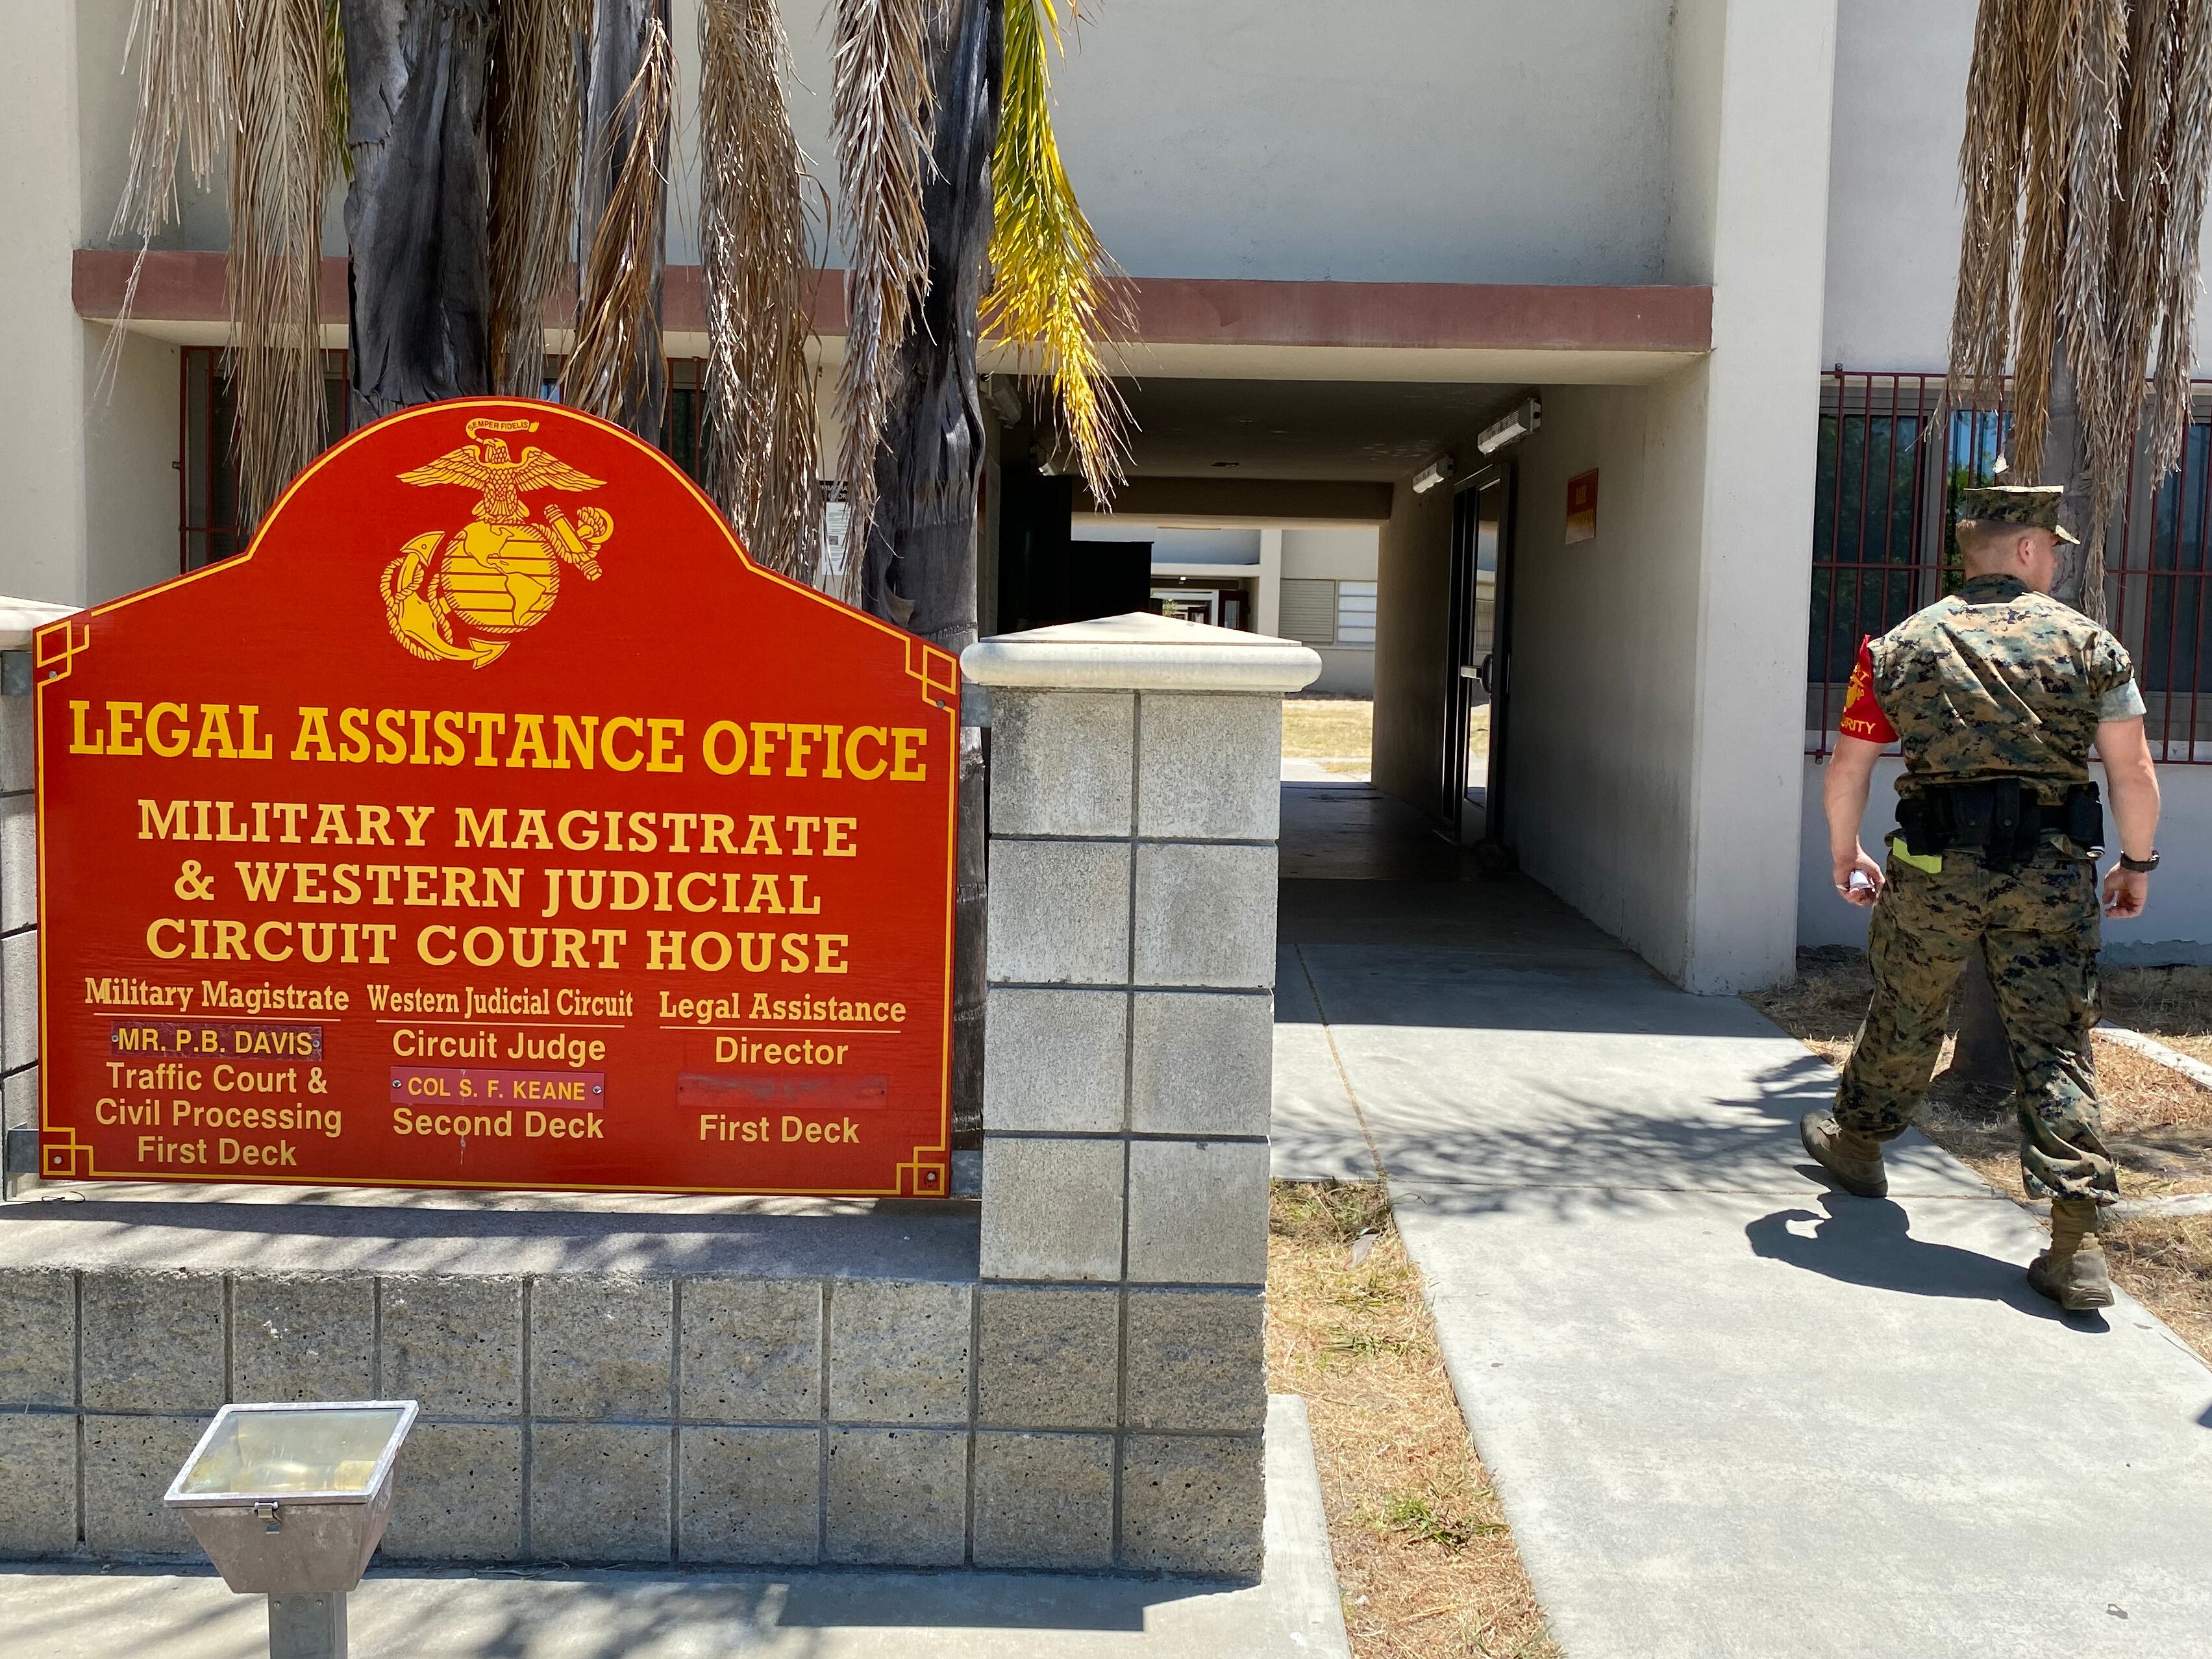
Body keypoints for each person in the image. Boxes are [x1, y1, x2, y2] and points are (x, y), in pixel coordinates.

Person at [1801, 482, 2163, 1312]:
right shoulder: (2087, 644)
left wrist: (1843, 852)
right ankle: (2074, 1244)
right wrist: (2135, 863)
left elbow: (1848, 766)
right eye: (2054, 550)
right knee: (2053, 1038)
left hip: (1931, 867)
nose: (2056, 563)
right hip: (2047, 871)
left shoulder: (1892, 648)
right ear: (2031, 548)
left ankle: (1856, 1144)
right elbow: (2132, 771)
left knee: (1905, 1007)